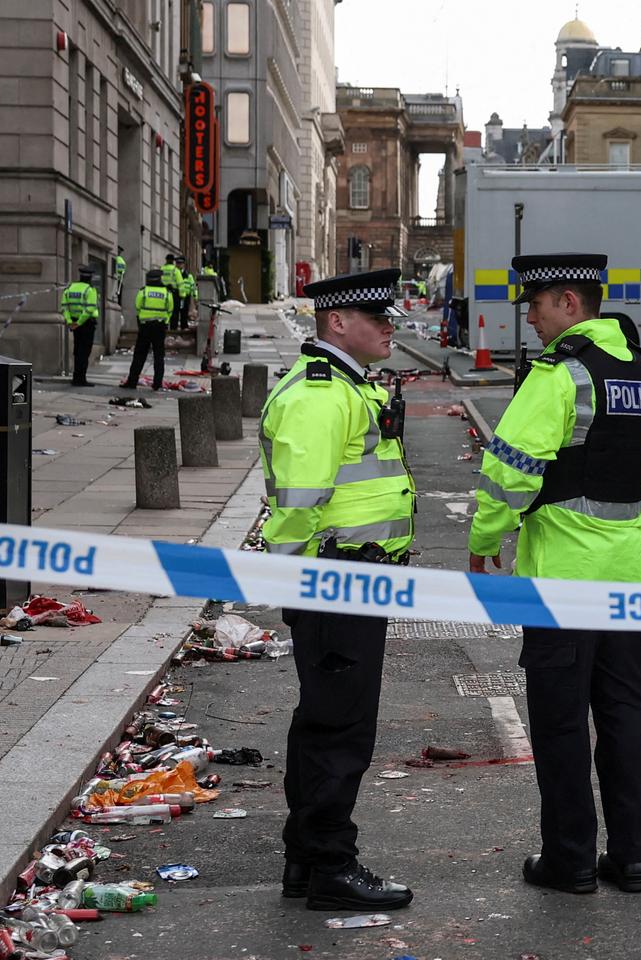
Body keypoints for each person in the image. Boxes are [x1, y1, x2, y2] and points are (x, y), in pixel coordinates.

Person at [467, 252, 641, 897]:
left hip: (559, 580)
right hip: (623, 578)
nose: (528, 319)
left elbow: (509, 467)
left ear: (568, 302)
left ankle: (570, 861)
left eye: (534, 305)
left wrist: (484, 538)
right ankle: (632, 859)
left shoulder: (558, 376)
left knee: (560, 725)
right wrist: (625, 545)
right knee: (625, 717)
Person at [259, 268, 416, 912]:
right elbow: (297, 503)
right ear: (335, 322)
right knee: (340, 728)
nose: (389, 327)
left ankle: (307, 859)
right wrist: (297, 578)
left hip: (349, 577)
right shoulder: (323, 394)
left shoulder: (344, 387)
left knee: (323, 720)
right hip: (337, 579)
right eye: (376, 317)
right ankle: (330, 865)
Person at [121, 268, 173, 390]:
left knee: (139, 355)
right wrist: (165, 321)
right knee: (159, 356)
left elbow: (137, 306)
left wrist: (142, 320)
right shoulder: (166, 293)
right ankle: (157, 384)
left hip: (145, 327)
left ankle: (132, 382)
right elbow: (170, 309)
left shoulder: (143, 291)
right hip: (159, 327)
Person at [60, 266, 100, 387]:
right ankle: (80, 379)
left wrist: (70, 322)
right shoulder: (90, 290)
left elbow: (64, 307)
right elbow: (90, 309)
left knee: (77, 351)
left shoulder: (70, 288)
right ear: (91, 277)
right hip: (86, 323)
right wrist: (79, 323)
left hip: (74, 323)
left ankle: (76, 377)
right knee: (84, 352)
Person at [161, 254, 183, 330]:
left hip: (163, 292)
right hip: (174, 293)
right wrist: (182, 295)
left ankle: (165, 326)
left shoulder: (161, 269)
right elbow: (180, 283)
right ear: (173, 261)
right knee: (174, 312)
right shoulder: (175, 270)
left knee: (164, 310)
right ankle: (173, 329)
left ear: (166, 260)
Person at [178, 256, 197, 330]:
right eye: (178, 263)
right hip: (177, 295)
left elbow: (193, 287)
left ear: (183, 264)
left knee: (184, 312)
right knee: (175, 312)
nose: (179, 265)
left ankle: (184, 325)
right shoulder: (175, 273)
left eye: (180, 263)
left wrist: (195, 296)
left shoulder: (188, 276)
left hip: (186, 296)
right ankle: (175, 326)